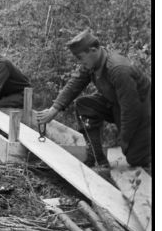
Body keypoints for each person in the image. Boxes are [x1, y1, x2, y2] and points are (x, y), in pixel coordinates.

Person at [35, 30, 151, 168]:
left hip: (143, 111)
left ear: (93, 50)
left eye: (80, 58)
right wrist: (54, 109)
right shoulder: (92, 64)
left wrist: (124, 139)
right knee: (84, 105)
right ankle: (97, 159)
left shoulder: (119, 69)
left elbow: (131, 110)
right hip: (117, 105)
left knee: (135, 158)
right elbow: (74, 84)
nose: (80, 62)